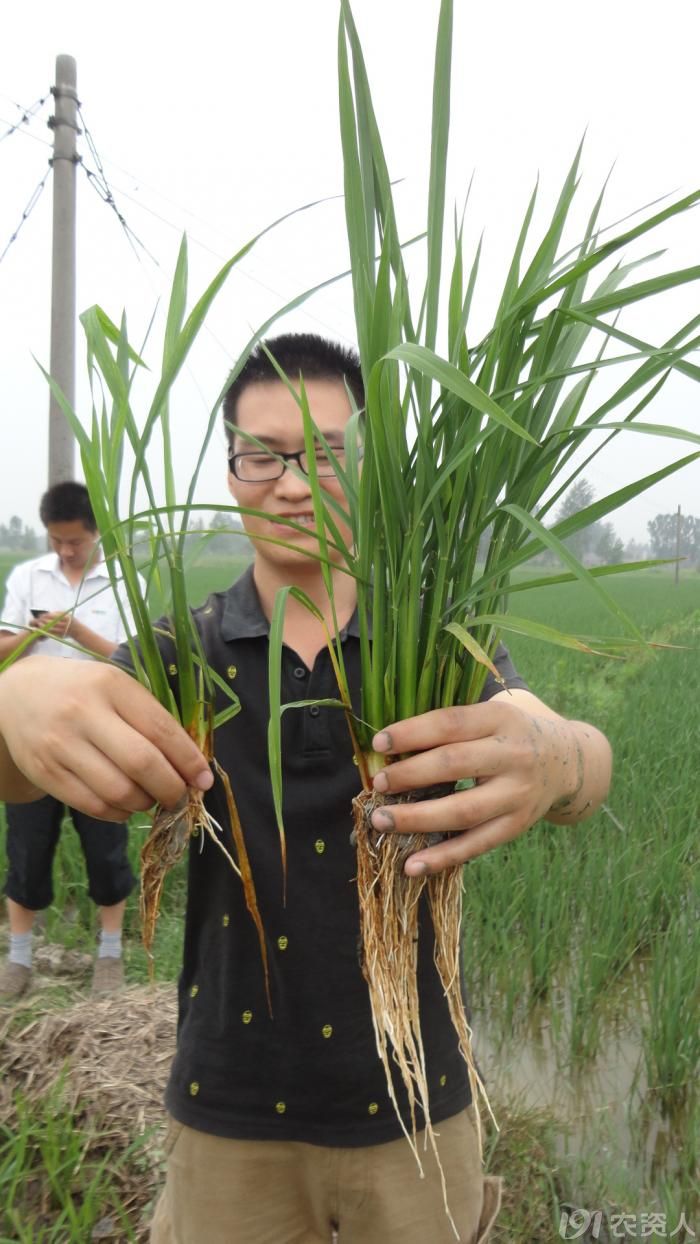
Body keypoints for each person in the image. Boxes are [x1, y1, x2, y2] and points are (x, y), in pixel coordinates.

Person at [0, 336, 612, 1243]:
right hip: (226, 1107)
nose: (295, 484)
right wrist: (13, 702)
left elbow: (575, 762)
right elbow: (27, 762)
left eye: (329, 454)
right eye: (264, 455)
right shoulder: (184, 651)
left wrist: (562, 755)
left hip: (418, 1099)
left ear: (368, 470)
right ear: (230, 467)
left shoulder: (436, 645)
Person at [0, 481, 140, 1000]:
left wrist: (78, 631)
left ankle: (109, 955)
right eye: (57, 540)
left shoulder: (122, 584)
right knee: (28, 849)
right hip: (30, 742)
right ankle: (18, 960)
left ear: (95, 532)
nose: (65, 550)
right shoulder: (26, 578)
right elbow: (3, 652)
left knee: (107, 851)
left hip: (100, 740)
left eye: (75, 541)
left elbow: (135, 661)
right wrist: (37, 634)